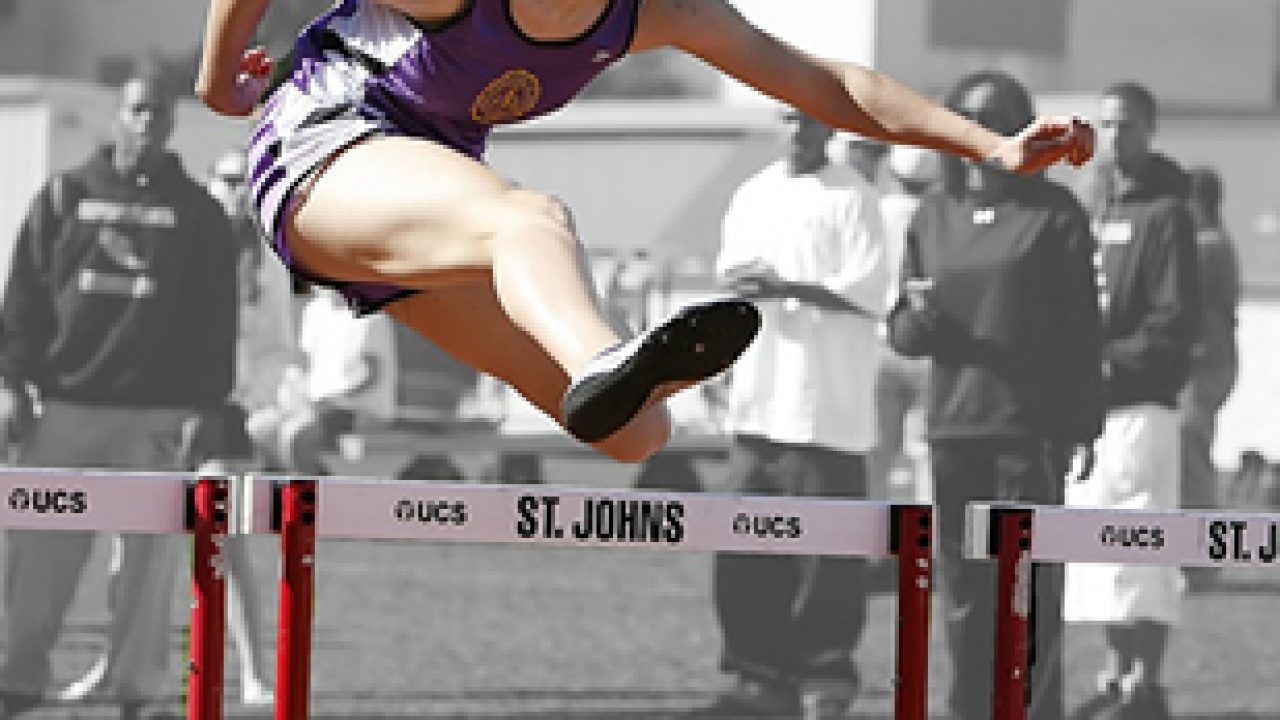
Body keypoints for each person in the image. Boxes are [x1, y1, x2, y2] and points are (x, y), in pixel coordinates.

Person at [195, 0, 1095, 464]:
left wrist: (989, 145)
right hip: (327, 142)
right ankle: (600, 358)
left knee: (639, 436)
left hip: (422, 195)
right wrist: (215, 84)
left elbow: (827, 84)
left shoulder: (656, 12)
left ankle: (606, 380)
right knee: (531, 220)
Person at [0, 74, 240, 719]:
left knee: (147, 563)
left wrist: (207, 408)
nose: (146, 123)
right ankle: (17, 680)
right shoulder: (63, 196)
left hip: (156, 415)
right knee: (38, 555)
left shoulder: (201, 214)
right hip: (65, 408)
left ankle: (140, 690)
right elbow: (21, 298)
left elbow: (215, 323)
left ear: (170, 123)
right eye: (136, 111)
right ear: (116, 117)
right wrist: (9, 381)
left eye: (158, 113)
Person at [886, 71, 1106, 720]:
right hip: (954, 431)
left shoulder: (1055, 213)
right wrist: (919, 319)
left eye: (997, 118)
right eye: (970, 117)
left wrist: (1081, 427)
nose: (983, 130)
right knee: (962, 591)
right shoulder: (932, 213)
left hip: (1028, 432)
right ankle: (966, 709)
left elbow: (1081, 330)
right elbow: (903, 330)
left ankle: (1034, 712)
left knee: (1029, 589)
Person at [702, 110, 888, 719]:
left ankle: (823, 674)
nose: (798, 133)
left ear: (828, 129)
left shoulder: (854, 197)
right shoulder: (752, 193)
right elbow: (730, 278)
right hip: (759, 402)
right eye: (788, 120)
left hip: (823, 409)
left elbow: (870, 291)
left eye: (810, 122)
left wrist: (788, 286)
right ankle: (756, 671)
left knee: (826, 552)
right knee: (743, 539)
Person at [1064, 81, 1199, 720]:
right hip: (1091, 412)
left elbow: (1175, 323)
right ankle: (1115, 675)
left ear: (1149, 130)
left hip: (1143, 406)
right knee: (1098, 554)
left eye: (1126, 126)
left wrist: (1110, 362)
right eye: (1105, 125)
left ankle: (1148, 680)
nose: (1115, 138)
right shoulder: (1089, 203)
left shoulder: (1168, 213)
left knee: (1143, 547)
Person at [205, 147, 282, 706]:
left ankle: (254, 672)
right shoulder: (187, 241)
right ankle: (122, 666)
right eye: (228, 180)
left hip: (229, 414)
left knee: (231, 544)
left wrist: (253, 402)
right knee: (133, 542)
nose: (237, 191)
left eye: (245, 182)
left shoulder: (268, 261)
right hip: (165, 406)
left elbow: (279, 345)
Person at [868, 144, 939, 503]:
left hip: (880, 345)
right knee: (926, 456)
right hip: (926, 349)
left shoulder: (877, 213)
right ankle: (929, 548)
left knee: (878, 456)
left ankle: (872, 550)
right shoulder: (939, 218)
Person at [1178, 166, 1240, 518]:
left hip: (1204, 365)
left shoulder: (1207, 248)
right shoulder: (1219, 243)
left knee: (1191, 445)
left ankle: (1197, 538)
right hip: (1213, 363)